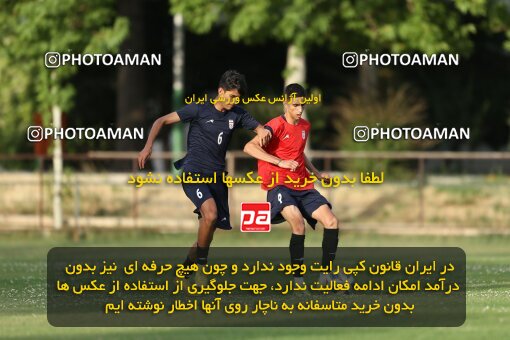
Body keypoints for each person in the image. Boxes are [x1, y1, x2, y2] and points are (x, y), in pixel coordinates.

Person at [138, 70, 271, 277]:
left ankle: (185, 269)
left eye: (238, 98)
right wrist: (147, 147)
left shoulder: (238, 114)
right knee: (210, 214)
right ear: (220, 91)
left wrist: (263, 132)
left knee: (206, 233)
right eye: (232, 96)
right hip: (193, 172)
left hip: (217, 178)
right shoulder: (199, 110)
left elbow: (261, 129)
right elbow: (160, 121)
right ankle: (201, 270)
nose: (235, 101)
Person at [243, 83, 349, 288]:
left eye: (302, 105)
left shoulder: (304, 127)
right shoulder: (274, 125)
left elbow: (299, 153)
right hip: (280, 186)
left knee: (332, 222)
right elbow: (249, 147)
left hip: (303, 185)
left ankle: (325, 276)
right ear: (285, 104)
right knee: (298, 224)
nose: (300, 110)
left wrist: (317, 174)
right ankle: (298, 281)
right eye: (295, 105)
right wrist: (279, 162)